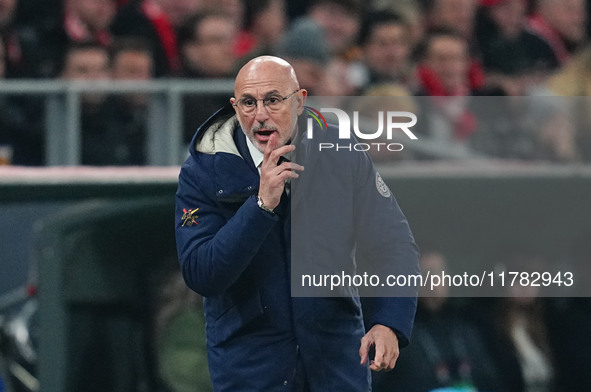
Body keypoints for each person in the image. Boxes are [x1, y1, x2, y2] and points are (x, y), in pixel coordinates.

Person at [175, 55, 420, 391]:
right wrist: (260, 206)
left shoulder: (340, 152)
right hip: (252, 368)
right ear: (235, 106)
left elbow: (394, 243)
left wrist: (389, 322)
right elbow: (202, 273)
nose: (260, 114)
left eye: (273, 100)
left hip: (336, 361)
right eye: (248, 103)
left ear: (300, 101)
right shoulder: (203, 171)